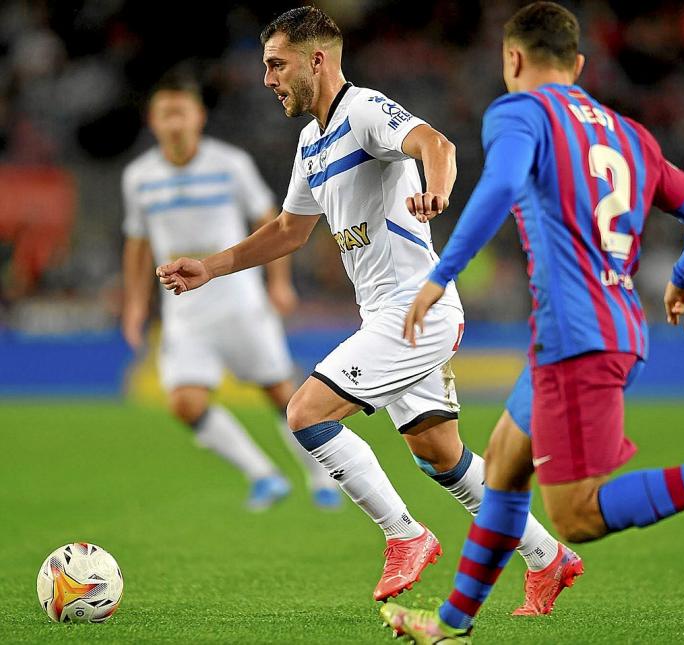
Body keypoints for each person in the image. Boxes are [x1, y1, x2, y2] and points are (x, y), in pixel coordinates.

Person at [156, 7, 574, 608]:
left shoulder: (364, 111)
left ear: (316, 60)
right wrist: (209, 267)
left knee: (305, 415)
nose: (269, 79)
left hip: (416, 310)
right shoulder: (311, 143)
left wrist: (437, 187)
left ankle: (405, 535)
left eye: (276, 65)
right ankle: (547, 556)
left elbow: (436, 143)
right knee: (441, 455)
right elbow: (288, 232)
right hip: (383, 314)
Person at [382, 2, 684, 642]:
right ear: (577, 65)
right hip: (598, 330)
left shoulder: (521, 112)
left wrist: (441, 275)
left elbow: (498, 186)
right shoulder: (634, 136)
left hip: (579, 339)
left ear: (512, 59)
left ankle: (457, 618)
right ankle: (450, 624)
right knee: (502, 464)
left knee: (574, 517)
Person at [121, 73, 342, 511]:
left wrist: (279, 282)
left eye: (181, 112)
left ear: (199, 117)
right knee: (185, 403)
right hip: (183, 308)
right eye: (166, 114)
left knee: (282, 394)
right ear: (153, 121)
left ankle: (322, 476)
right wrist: (134, 304)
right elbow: (138, 242)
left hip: (239, 299)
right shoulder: (139, 176)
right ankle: (263, 475)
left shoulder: (229, 164)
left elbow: (272, 221)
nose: (174, 122)